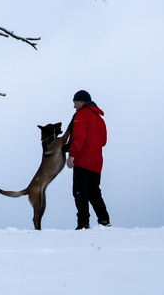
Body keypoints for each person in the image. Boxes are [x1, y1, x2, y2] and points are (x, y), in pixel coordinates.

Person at [65, 89, 110, 229]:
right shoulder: (99, 119)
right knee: (94, 193)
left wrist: (71, 155)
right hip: (96, 163)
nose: (74, 106)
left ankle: (83, 224)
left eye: (75, 103)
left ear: (81, 101)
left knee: (79, 192)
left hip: (83, 161)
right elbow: (103, 141)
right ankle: (104, 220)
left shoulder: (81, 115)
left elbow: (79, 138)